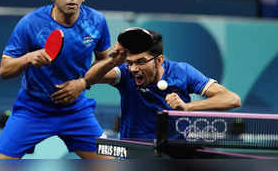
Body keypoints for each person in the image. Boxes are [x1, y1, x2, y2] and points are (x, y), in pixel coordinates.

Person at [0, 0, 112, 159]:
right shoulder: (30, 24)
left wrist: (82, 83)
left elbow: (105, 66)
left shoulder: (97, 22)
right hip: (33, 109)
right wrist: (28, 58)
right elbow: (4, 70)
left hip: (76, 110)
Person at [80, 28, 241, 139]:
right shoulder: (125, 73)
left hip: (175, 153)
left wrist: (188, 107)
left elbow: (232, 99)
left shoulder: (182, 72)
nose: (134, 68)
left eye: (141, 62)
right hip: (135, 153)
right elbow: (88, 78)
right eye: (130, 62)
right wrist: (112, 61)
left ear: (159, 60)